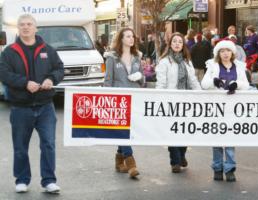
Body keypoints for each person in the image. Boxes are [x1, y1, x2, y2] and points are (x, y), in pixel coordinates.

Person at [0, 14, 64, 193]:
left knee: (49, 144)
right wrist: (24, 83)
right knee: (20, 147)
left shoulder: (48, 50)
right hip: (21, 108)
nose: (26, 27)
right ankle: (22, 180)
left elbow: (59, 69)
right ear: (18, 28)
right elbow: (3, 74)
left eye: (29, 24)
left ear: (36, 28)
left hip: (45, 107)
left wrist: (52, 79)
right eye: (22, 25)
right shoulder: (9, 52)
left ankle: (49, 181)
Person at [201, 40, 249, 181]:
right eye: (222, 51)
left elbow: (246, 85)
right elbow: (204, 84)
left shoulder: (239, 67)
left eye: (228, 50)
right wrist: (213, 81)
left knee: (230, 139)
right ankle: (217, 167)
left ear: (232, 52)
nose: (225, 53)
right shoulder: (213, 66)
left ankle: (230, 169)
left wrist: (237, 84)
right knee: (216, 138)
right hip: (217, 108)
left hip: (233, 108)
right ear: (218, 53)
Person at [155, 32, 201, 173]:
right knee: (172, 131)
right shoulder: (165, 62)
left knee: (184, 131)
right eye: (174, 41)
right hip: (171, 102)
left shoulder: (187, 62)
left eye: (180, 42)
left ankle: (181, 154)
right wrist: (159, 100)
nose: (177, 44)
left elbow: (193, 80)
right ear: (170, 44)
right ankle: (175, 161)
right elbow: (161, 83)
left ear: (183, 45)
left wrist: (201, 96)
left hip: (186, 103)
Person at [104, 27, 144, 178]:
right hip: (118, 99)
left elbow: (143, 80)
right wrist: (108, 98)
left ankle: (119, 160)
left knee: (127, 130)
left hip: (134, 97)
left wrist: (140, 76)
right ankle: (131, 163)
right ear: (121, 39)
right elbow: (108, 80)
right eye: (127, 36)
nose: (131, 39)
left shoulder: (137, 56)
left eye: (132, 36)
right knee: (123, 130)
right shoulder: (112, 58)